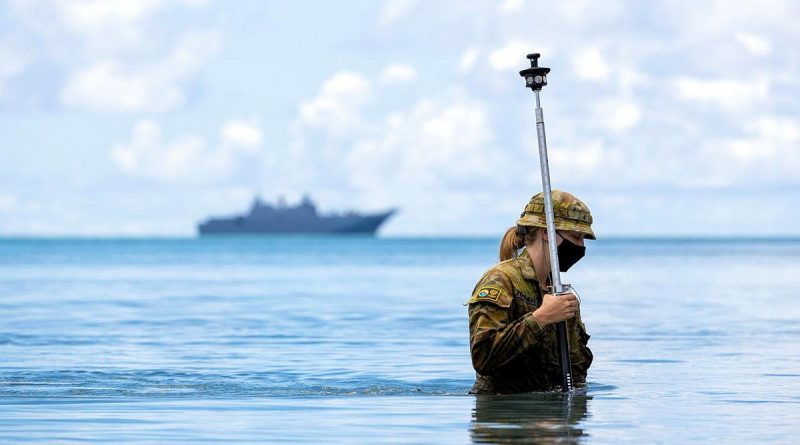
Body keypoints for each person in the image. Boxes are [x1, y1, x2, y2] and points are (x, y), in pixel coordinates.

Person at [466, 190, 595, 394]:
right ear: (547, 233)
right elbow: (483, 357)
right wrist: (541, 318)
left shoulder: (558, 290)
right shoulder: (501, 280)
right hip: (503, 415)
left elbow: (576, 373)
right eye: (576, 237)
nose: (580, 246)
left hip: (551, 414)